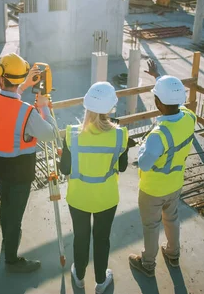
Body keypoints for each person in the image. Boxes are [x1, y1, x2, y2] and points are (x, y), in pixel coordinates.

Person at [0, 53, 58, 273]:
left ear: (1, 79)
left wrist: (21, 87)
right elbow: (50, 134)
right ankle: (11, 261)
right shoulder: (27, 112)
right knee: (16, 217)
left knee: (6, 204)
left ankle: (7, 235)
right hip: (20, 173)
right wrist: (44, 106)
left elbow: (4, 101)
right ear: (20, 78)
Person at [60, 82, 135, 294]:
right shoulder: (121, 135)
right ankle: (101, 281)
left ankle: (80, 277)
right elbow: (121, 166)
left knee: (80, 238)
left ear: (87, 106)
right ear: (111, 109)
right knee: (102, 239)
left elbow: (65, 168)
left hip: (78, 198)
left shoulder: (71, 134)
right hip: (106, 199)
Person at [128, 75, 196, 275]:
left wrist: (142, 147)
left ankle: (148, 264)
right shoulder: (190, 116)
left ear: (158, 102)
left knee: (151, 226)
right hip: (175, 184)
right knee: (172, 218)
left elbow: (144, 163)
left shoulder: (158, 136)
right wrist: (160, 78)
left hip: (153, 190)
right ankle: (173, 255)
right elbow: (174, 102)